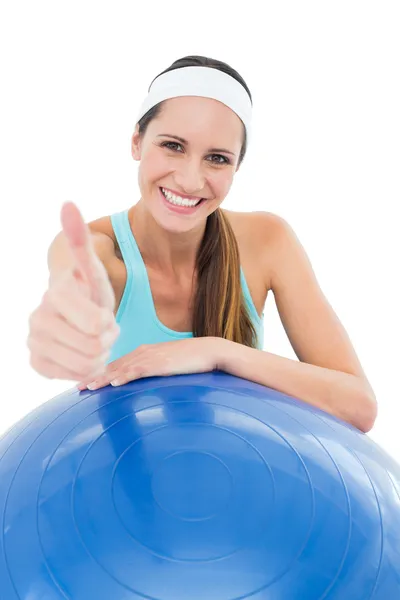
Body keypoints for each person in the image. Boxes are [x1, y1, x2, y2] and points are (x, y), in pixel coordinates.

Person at [27, 55, 377, 432]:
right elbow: (74, 280)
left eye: (217, 159)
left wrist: (217, 352)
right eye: (173, 146)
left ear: (236, 168)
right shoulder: (96, 249)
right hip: (123, 482)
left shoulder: (267, 242)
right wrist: (69, 312)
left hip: (236, 476)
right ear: (136, 142)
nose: (191, 181)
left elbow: (358, 407)